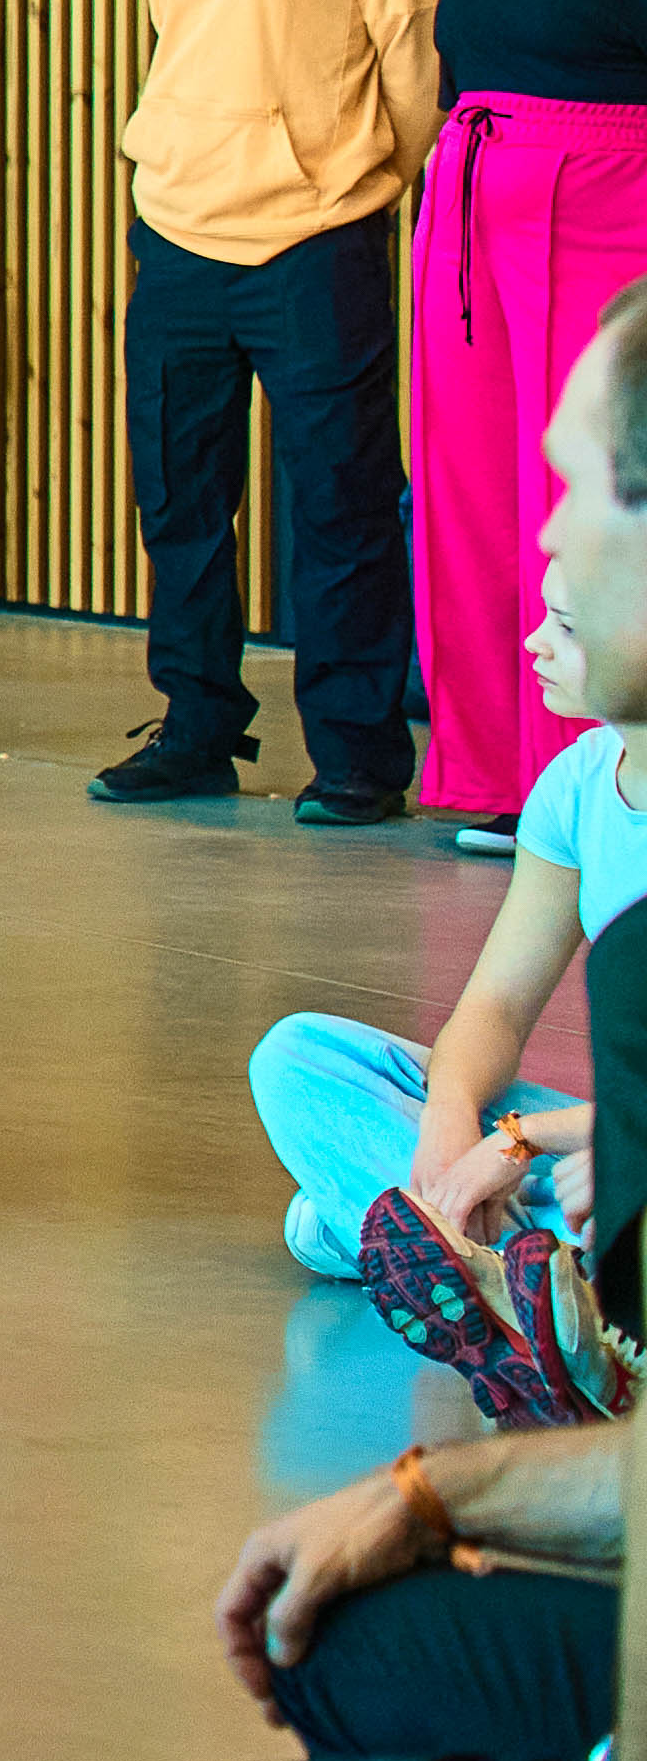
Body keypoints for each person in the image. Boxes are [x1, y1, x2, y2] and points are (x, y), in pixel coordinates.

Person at [0, 283, 647, 1761]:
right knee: (350, 1631)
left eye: (568, 503)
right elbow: (492, 1020)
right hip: (527, 1173)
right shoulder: (581, 806)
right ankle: (496, 1275)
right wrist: (430, 1490)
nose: (534, 547)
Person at [106, 0, 440, 826]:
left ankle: (356, 754)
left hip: (319, 238)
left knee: (338, 501)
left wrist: (362, 187)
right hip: (179, 236)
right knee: (179, 499)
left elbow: (415, 80)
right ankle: (196, 729)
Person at [240, 546, 633, 1370]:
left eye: (565, 626)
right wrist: (453, 1123)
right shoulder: (578, 784)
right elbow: (494, 1007)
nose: (533, 644)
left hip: (623, 1144)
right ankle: (523, 1271)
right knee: (299, 1057)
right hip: (597, 1150)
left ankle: (408, 1238)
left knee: (320, 1223)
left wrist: (520, 1141)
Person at [420, 0, 647, 837]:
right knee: (469, 483)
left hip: (615, 206)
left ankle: (600, 775)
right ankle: (498, 773)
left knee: (584, 482)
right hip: (470, 209)